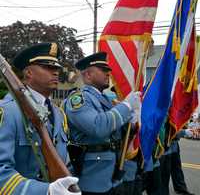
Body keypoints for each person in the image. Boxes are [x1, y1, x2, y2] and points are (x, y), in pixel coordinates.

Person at [0, 42, 81, 195]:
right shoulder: (7, 111)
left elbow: (64, 162)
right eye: (47, 67)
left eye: (56, 68)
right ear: (28, 72)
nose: (56, 72)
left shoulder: (59, 114)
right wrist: (45, 190)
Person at [63, 52, 141, 195]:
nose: (108, 73)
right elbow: (98, 127)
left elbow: (115, 131)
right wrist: (126, 106)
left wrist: (132, 123)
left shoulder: (104, 99)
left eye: (108, 70)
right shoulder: (79, 99)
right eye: (103, 70)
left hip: (111, 172)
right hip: (92, 175)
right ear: (88, 75)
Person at [160, 124, 194, 195]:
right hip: (165, 145)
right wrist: (183, 132)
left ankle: (180, 188)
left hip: (173, 144)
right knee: (164, 173)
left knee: (177, 168)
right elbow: (167, 130)